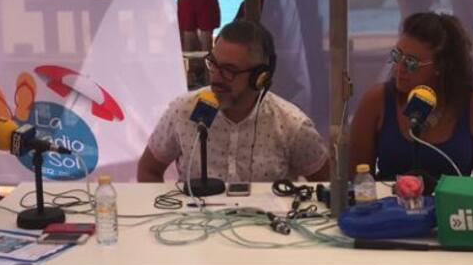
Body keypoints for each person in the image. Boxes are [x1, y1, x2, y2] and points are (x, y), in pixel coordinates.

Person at [138, 19, 330, 184]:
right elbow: (149, 170)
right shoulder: (183, 111)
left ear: (259, 77)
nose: (216, 77)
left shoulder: (291, 124)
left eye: (229, 70)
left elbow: (327, 184)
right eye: (213, 64)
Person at [349, 11, 473, 181]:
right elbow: (357, 180)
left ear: (441, 66)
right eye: (396, 56)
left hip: (453, 198)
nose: (399, 68)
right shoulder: (376, 100)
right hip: (389, 198)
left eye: (411, 62)